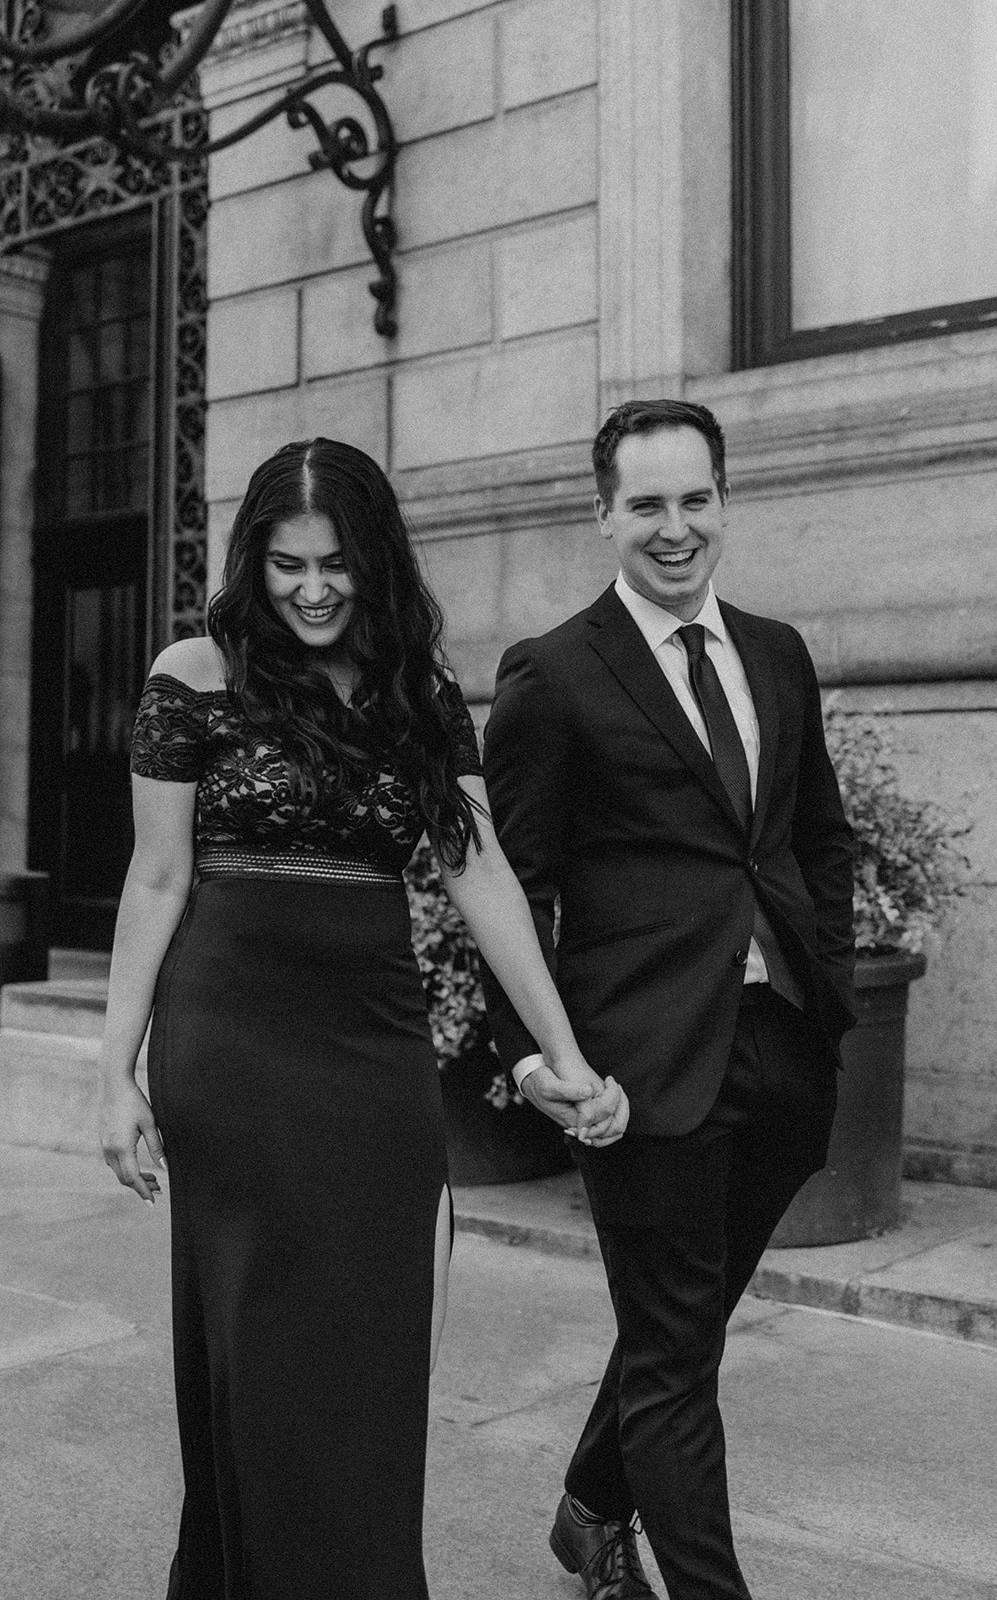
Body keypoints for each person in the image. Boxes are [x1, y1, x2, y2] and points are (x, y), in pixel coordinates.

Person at [98, 436, 628, 1600]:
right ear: (254, 563)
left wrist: (563, 1052)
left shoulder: (417, 693)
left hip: (374, 1052)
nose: (311, 589)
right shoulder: (191, 674)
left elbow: (477, 868)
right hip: (229, 1048)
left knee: (369, 1350)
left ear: (373, 560)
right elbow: (156, 877)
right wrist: (115, 1069)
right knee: (261, 1347)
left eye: (334, 563)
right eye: (286, 565)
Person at [480, 400, 856, 1600]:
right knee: (676, 1359)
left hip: (779, 1050)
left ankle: (590, 1503)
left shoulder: (776, 652)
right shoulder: (552, 671)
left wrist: (829, 997)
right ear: (603, 514)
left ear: (722, 501)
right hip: (638, 1071)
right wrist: (541, 1061)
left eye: (694, 498)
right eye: (646, 503)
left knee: (669, 1335)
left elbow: (815, 841)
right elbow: (509, 888)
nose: (674, 526)